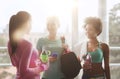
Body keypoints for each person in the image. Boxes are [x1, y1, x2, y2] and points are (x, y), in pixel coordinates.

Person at [8, 11, 48, 79]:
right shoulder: (27, 45)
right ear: (25, 24)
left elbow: (15, 63)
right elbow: (23, 71)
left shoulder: (10, 43)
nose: (31, 26)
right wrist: (42, 67)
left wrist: (37, 61)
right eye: (31, 23)